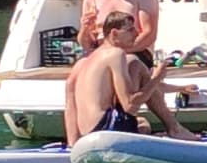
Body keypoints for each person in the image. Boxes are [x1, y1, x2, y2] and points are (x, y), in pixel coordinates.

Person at [76, 0, 196, 140]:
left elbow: (148, 33)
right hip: (102, 53)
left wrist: (122, 52)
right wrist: (84, 29)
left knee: (132, 62)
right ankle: (75, 139)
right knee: (79, 70)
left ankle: (172, 126)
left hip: (135, 50)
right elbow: (85, 43)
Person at [65, 11, 169, 144]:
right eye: (130, 30)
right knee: (135, 64)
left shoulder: (81, 63)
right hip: (107, 131)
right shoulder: (116, 54)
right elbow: (130, 106)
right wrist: (157, 78)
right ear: (114, 33)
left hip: (87, 135)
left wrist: (73, 145)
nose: (137, 34)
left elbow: (70, 108)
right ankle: (174, 128)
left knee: (142, 123)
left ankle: (168, 130)